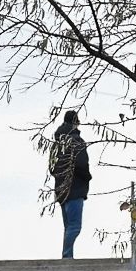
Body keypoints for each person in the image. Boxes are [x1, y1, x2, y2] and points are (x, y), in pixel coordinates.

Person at [48, 110, 91, 258]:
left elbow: (52, 168)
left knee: (68, 227)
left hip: (61, 190)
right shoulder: (76, 141)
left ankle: (68, 257)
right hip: (76, 188)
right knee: (75, 227)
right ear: (76, 122)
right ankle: (66, 256)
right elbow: (82, 164)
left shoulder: (57, 143)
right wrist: (88, 177)